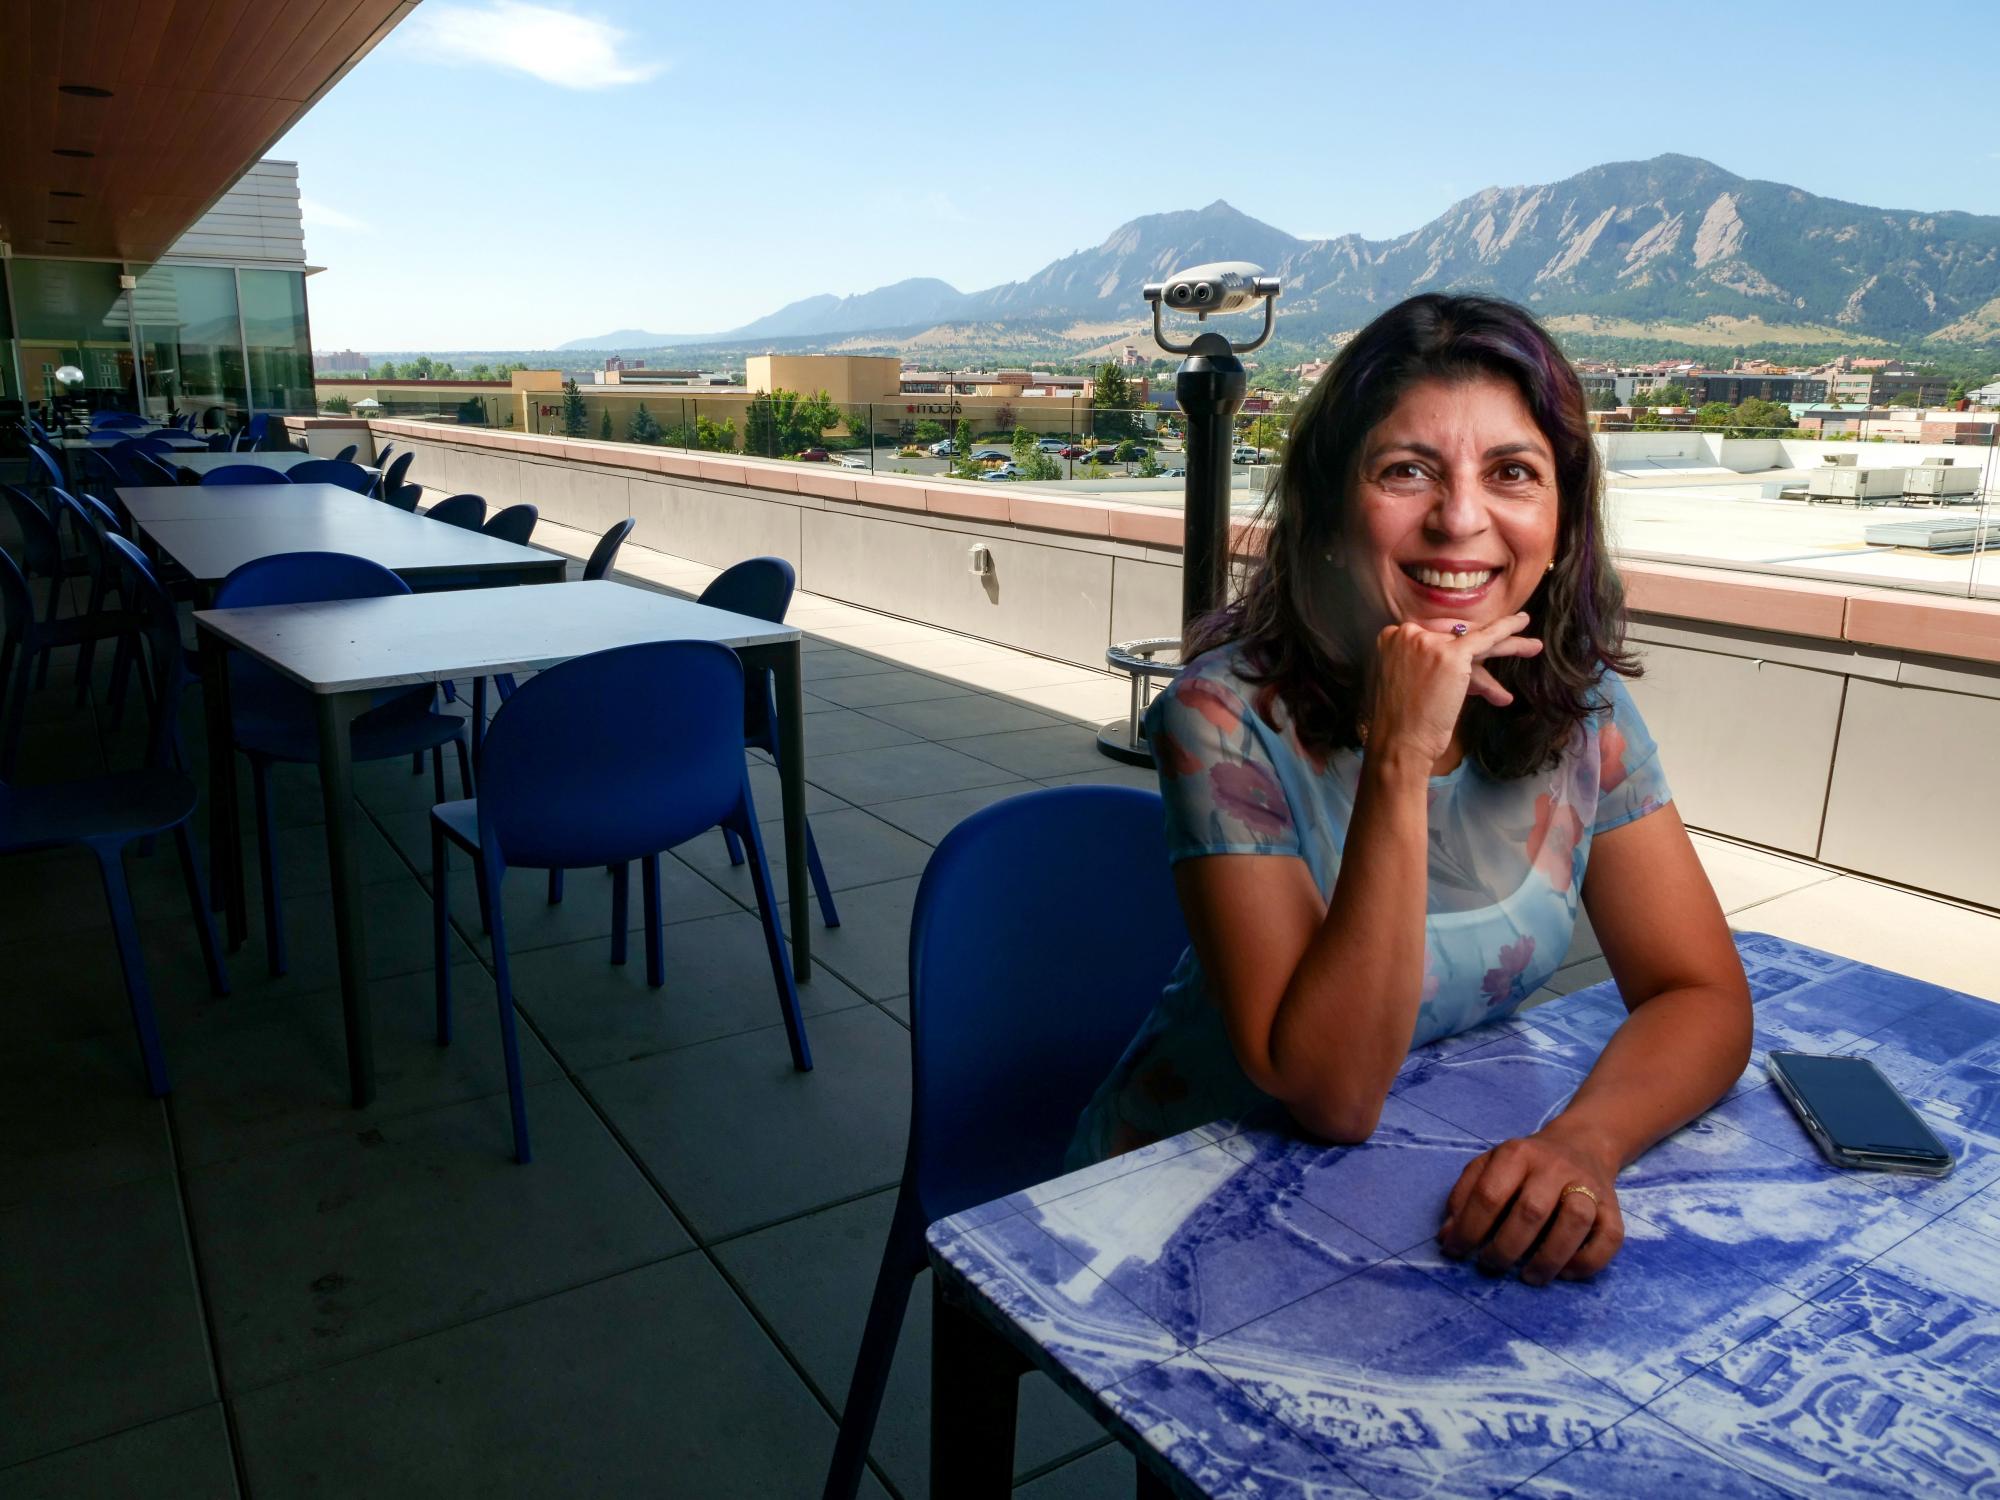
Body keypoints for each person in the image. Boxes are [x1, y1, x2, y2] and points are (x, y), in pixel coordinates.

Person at [1069, 293, 1751, 1286]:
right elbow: (1332, 1096)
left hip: (1430, 1177)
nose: (1459, 519)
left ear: (1560, 521)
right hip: (1185, 1199)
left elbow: (1700, 994)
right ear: (1332, 510)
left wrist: (1582, 1144)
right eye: (1404, 471)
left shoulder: (1581, 710)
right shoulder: (1218, 719)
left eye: (1511, 473)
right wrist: (1399, 754)